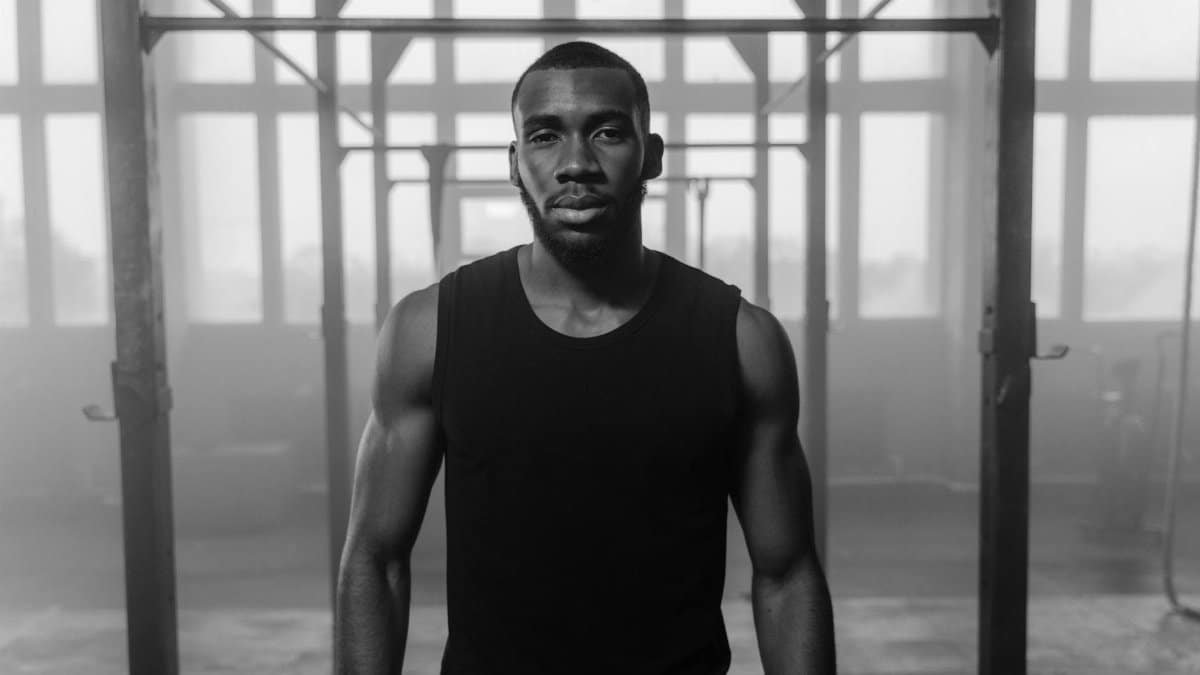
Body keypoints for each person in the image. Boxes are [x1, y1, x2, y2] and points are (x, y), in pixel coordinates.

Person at [335, 41, 835, 675]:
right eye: (545, 137)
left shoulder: (742, 340)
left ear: (650, 155)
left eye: (606, 132)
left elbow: (787, 574)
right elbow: (374, 560)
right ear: (516, 164)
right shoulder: (427, 329)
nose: (576, 163)